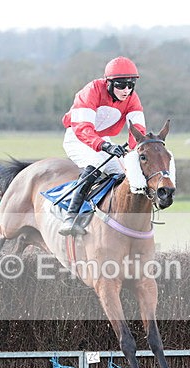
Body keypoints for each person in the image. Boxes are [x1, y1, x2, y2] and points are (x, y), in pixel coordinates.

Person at [58, 56, 147, 236]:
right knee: (97, 162)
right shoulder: (91, 90)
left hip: (103, 139)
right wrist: (105, 146)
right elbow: (83, 128)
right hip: (77, 136)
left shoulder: (132, 98)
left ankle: (111, 215)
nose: (126, 90)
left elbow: (137, 130)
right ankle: (70, 217)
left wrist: (133, 150)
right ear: (108, 83)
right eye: (121, 85)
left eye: (130, 85)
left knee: (122, 173)